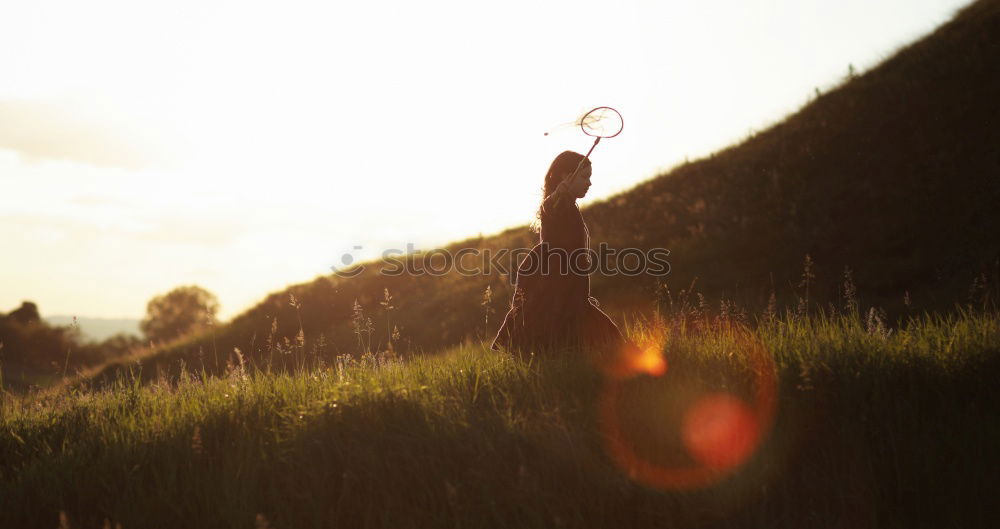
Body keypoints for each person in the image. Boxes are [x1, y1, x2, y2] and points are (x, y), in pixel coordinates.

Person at [491, 150, 640, 360]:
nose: (589, 183)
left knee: (578, 332)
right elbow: (550, 207)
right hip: (555, 282)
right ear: (565, 177)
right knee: (563, 326)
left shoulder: (569, 205)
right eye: (584, 177)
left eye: (589, 178)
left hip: (571, 283)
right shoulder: (557, 204)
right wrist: (558, 194)